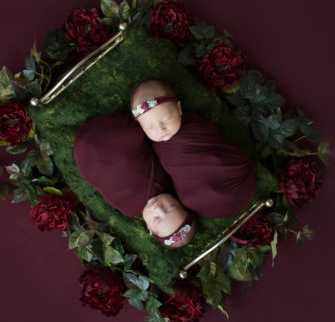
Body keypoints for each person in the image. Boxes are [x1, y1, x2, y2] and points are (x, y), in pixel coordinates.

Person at [131, 79, 256, 217]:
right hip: (199, 199)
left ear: (179, 109)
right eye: (150, 127)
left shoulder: (194, 125)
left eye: (166, 119)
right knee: (189, 200)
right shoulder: (154, 146)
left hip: (231, 176)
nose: (161, 129)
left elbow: (213, 138)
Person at [73, 112, 196, 248]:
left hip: (89, 157)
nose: (158, 208)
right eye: (170, 207)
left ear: (149, 229)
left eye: (156, 219)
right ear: (179, 201)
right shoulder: (168, 181)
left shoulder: (130, 209)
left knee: (100, 166)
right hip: (116, 138)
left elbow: (107, 187)